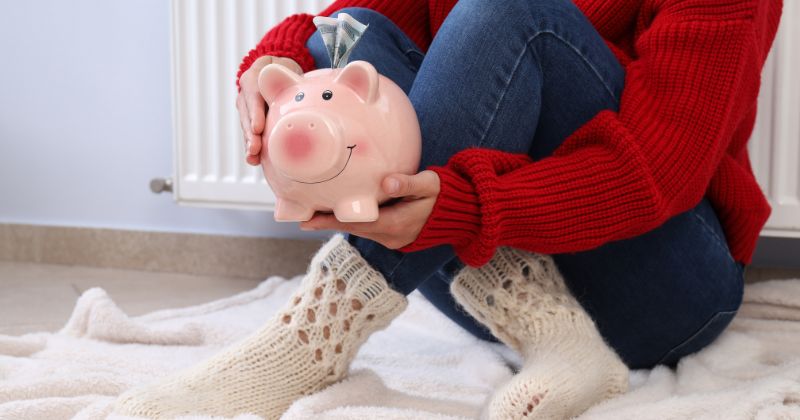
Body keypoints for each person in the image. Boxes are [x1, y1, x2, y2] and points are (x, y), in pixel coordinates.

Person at [114, 0, 783, 419]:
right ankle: (552, 331)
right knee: (337, 50)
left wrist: (466, 207)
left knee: (509, 11)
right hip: (491, 285)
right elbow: (350, 29)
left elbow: (657, 172)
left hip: (663, 288)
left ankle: (310, 336)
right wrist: (272, 68)